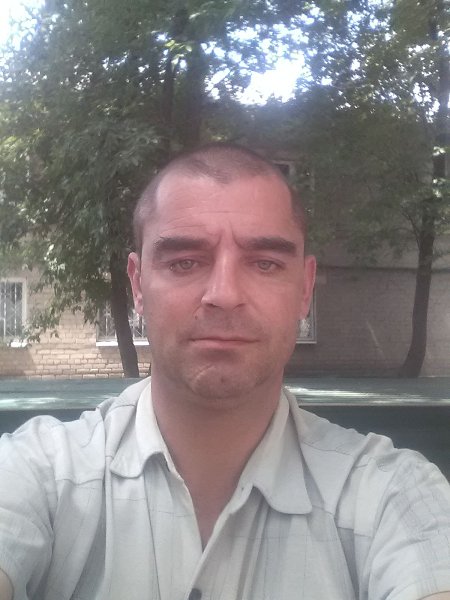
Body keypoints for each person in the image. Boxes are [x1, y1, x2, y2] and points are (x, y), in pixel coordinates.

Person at [0, 143, 449, 600]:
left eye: (265, 263)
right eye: (184, 262)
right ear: (137, 285)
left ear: (305, 288)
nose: (224, 294)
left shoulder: (394, 494)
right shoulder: (37, 472)